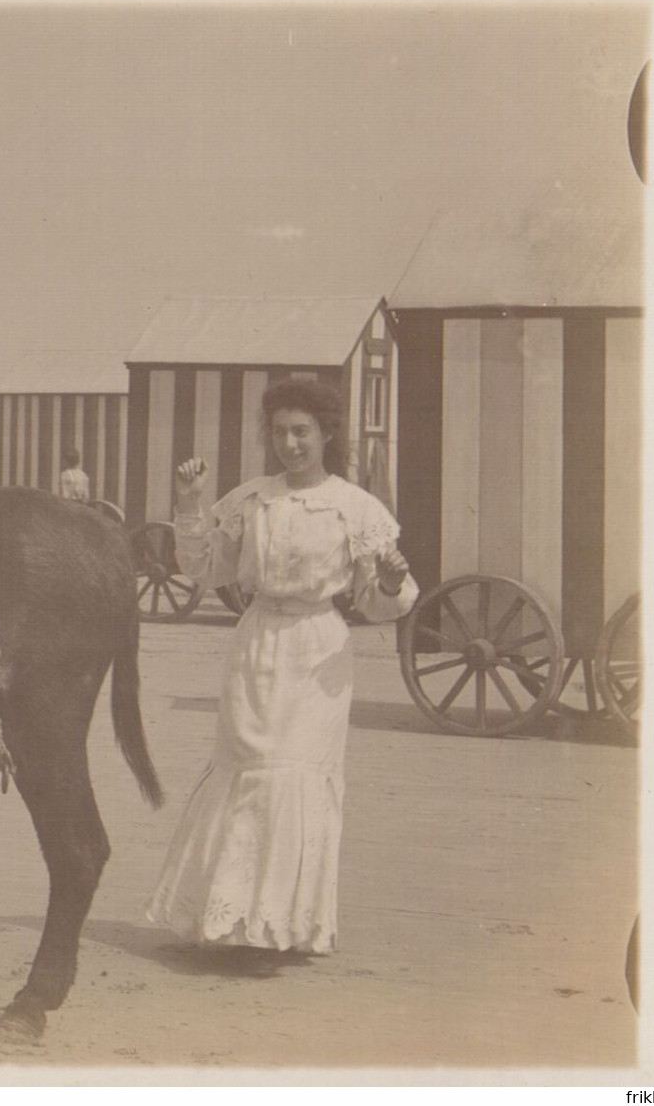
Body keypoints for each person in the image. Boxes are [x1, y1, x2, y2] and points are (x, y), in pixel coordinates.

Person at [146, 377, 416, 958]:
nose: (290, 444)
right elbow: (204, 567)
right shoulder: (251, 500)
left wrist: (390, 581)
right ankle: (228, 922)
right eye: (280, 433)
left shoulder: (356, 507)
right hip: (257, 646)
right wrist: (190, 504)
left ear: (326, 433)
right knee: (247, 771)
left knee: (294, 776)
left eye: (302, 432)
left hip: (318, 653)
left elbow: (375, 600)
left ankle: (277, 929)